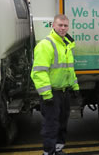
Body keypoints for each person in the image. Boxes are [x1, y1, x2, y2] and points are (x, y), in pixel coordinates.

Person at [31, 14, 79, 155]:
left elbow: (69, 70)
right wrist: (46, 95)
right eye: (60, 25)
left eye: (65, 26)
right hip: (52, 94)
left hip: (64, 92)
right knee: (51, 126)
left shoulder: (66, 44)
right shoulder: (46, 45)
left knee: (62, 123)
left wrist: (75, 87)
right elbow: (39, 73)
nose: (63, 28)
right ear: (53, 26)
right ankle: (48, 152)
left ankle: (58, 149)